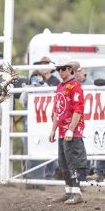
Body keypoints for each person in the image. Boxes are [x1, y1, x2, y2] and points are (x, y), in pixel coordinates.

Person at [49, 56, 87, 205]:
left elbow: (78, 110)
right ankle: (69, 191)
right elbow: (57, 111)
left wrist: (71, 129)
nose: (60, 71)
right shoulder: (60, 87)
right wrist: (53, 130)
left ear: (70, 69)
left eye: (63, 69)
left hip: (72, 131)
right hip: (62, 131)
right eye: (58, 69)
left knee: (74, 161)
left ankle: (77, 193)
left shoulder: (75, 86)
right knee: (64, 162)